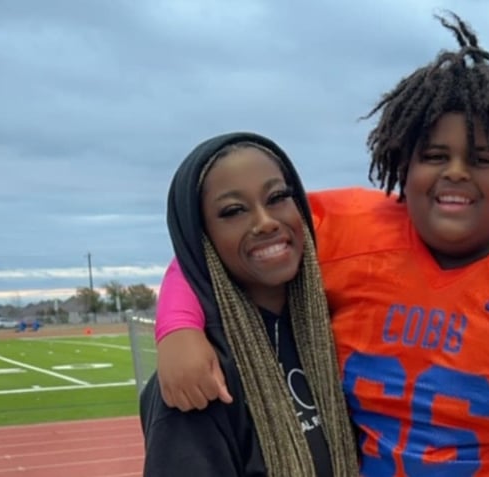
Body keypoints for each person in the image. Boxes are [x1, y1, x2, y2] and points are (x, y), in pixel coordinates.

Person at [152, 12, 489, 477]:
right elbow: (220, 245)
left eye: (483, 158)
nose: (455, 173)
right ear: (403, 165)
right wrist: (178, 330)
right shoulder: (349, 232)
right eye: (434, 155)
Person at [138, 132, 360, 477]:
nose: (266, 221)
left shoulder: (342, 329)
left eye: (277, 197)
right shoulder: (200, 379)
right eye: (233, 211)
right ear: (201, 238)